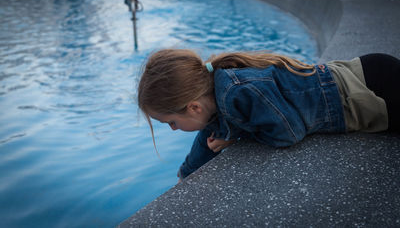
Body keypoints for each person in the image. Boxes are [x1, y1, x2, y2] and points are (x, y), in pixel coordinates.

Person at [138, 49, 400, 180]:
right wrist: (186, 174)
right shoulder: (214, 93)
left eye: (171, 122)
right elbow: (209, 135)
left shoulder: (235, 94)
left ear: (193, 107)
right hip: (360, 73)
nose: (172, 128)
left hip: (370, 90)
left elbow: (288, 132)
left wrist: (237, 136)